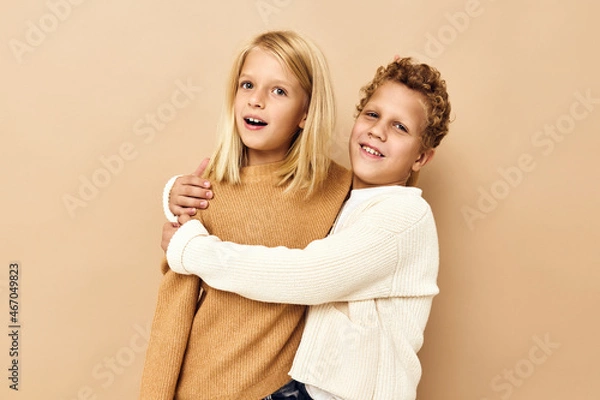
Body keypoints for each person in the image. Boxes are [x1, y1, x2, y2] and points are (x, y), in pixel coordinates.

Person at [161, 57, 451, 400]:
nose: (378, 131)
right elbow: (262, 210)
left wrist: (192, 250)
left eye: (400, 127)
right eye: (372, 115)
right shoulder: (339, 198)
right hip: (299, 390)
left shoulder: (406, 215)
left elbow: (309, 274)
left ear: (421, 158)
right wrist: (175, 196)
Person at [139, 31, 352, 400]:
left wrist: (396, 86)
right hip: (202, 388)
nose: (256, 101)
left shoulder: (338, 188)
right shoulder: (205, 192)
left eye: (278, 91)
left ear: (306, 112)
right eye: (247, 85)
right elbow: (171, 319)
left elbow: (392, 198)